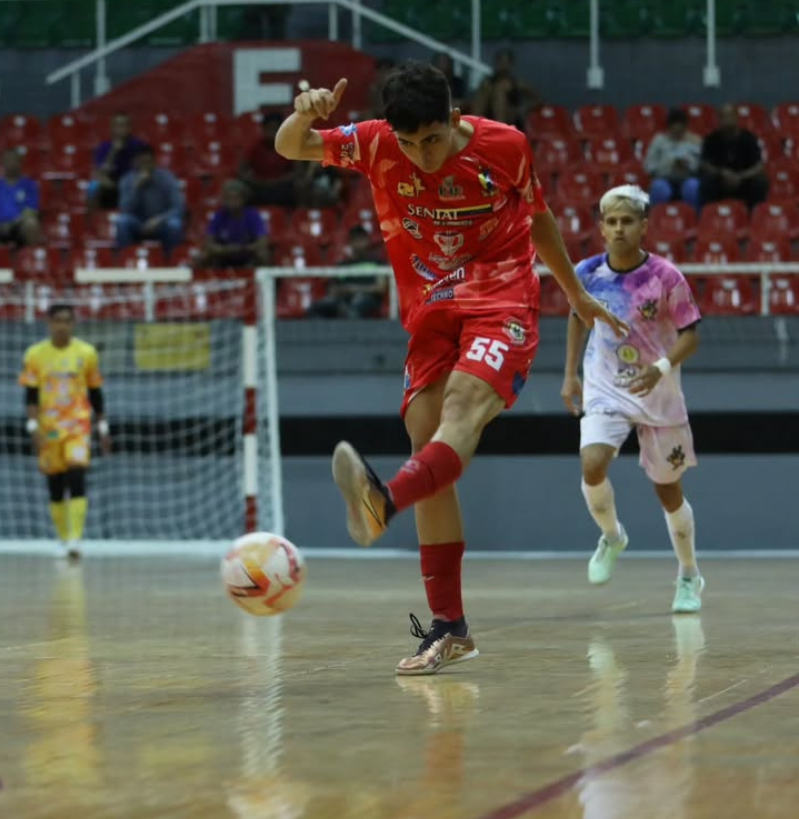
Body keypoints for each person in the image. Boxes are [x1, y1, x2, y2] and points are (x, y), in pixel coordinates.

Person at [274, 61, 626, 675]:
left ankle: (384, 499)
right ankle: (449, 628)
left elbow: (538, 217)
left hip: (502, 298)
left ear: (456, 119)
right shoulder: (378, 143)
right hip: (430, 310)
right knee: (425, 439)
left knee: (459, 411)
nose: (422, 155)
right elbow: (291, 147)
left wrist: (572, 291)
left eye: (432, 139)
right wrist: (304, 115)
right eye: (410, 143)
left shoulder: (504, 145)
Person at [562, 185, 704, 613]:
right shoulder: (586, 273)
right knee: (592, 463)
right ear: (601, 228)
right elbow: (576, 315)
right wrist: (570, 374)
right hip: (607, 384)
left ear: (644, 226)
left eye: (628, 221)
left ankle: (688, 575)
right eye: (612, 221)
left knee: (668, 491)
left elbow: (690, 336)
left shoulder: (665, 277)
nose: (619, 228)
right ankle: (612, 536)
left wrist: (660, 367)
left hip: (657, 389)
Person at [19, 304, 111, 560]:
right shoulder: (35, 355)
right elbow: (30, 395)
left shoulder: (86, 353)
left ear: (73, 323)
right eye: (57, 321)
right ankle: (62, 538)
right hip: (49, 429)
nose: (62, 325)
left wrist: (103, 427)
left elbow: (96, 392)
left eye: (67, 321)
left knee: (76, 474)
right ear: (49, 323)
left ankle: (75, 539)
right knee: (56, 484)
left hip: (78, 425)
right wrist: (33, 427)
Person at [114, 146, 185, 255]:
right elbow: (124, 209)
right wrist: (136, 188)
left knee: (175, 224)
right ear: (135, 162)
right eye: (142, 162)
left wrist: (159, 220)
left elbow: (179, 208)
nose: (145, 166)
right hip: (137, 223)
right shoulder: (127, 180)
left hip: (160, 223)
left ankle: (171, 264)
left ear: (154, 162)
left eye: (149, 162)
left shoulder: (167, 178)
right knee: (122, 222)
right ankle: (125, 261)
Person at [307, 225, 387, 318]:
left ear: (368, 241)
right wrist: (341, 291)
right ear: (350, 242)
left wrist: (354, 289)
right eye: (355, 240)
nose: (359, 243)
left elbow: (381, 288)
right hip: (342, 300)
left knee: (355, 306)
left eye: (361, 240)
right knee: (315, 309)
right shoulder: (343, 265)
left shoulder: (376, 263)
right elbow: (332, 288)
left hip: (366, 299)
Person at [699, 104, 769, 209]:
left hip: (744, 179)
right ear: (719, 119)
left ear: (737, 118)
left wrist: (740, 177)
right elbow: (705, 164)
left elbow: (759, 166)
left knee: (760, 182)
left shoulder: (749, 138)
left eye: (730, 116)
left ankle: (754, 216)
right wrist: (721, 173)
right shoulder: (711, 139)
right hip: (721, 179)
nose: (727, 120)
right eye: (724, 117)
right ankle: (710, 214)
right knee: (707, 182)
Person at [197, 180, 270, 268]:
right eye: (228, 198)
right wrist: (224, 249)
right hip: (224, 254)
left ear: (244, 199)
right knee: (204, 255)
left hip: (247, 253)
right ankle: (204, 279)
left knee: (263, 254)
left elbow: (263, 241)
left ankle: (262, 280)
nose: (232, 202)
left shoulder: (252, 215)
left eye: (236, 198)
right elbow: (208, 243)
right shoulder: (219, 215)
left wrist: (245, 248)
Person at [0, 148, 42, 246]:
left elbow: (30, 211)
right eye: (7, 160)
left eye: (13, 160)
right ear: (2, 163)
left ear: (20, 162)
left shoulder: (30, 185)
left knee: (32, 224)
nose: (10, 163)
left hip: (18, 227)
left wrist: (13, 224)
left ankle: (31, 258)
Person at [469, 48, 540, 131]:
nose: (503, 66)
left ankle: (501, 131)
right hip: (490, 120)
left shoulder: (516, 84)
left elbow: (537, 98)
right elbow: (478, 108)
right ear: (496, 64)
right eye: (500, 62)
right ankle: (479, 130)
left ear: (511, 65)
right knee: (491, 89)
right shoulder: (487, 84)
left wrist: (522, 109)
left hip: (511, 120)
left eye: (506, 63)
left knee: (500, 90)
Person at [644, 108, 702, 209]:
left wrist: (688, 164)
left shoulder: (695, 141)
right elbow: (649, 166)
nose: (678, 134)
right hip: (664, 179)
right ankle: (656, 219)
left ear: (685, 127)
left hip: (687, 178)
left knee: (694, 186)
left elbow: (701, 165)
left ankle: (695, 219)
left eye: (681, 131)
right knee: (658, 187)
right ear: (669, 127)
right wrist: (668, 165)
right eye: (675, 131)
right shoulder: (658, 141)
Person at [88, 113, 147, 210]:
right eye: (118, 125)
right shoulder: (103, 147)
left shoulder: (139, 146)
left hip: (133, 184)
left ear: (130, 128)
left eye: (124, 125)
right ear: (112, 128)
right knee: (93, 186)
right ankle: (93, 220)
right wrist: (113, 151)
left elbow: (146, 168)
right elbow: (100, 172)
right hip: (111, 184)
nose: (121, 129)